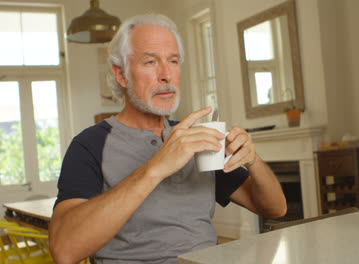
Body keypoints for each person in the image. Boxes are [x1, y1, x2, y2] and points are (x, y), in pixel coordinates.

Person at [48, 13, 286, 264]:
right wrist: (156, 168)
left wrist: (253, 161)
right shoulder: (90, 145)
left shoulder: (195, 138)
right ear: (121, 75)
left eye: (173, 61)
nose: (166, 75)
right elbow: (64, 250)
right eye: (150, 62)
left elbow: (275, 209)